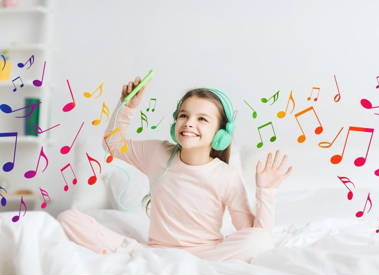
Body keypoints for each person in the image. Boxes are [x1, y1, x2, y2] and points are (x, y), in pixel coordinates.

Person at [57, 77, 293, 263]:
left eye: (202, 119)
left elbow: (254, 234)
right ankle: (136, 252)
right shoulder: (158, 153)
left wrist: (267, 191)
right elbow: (112, 144)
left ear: (220, 135)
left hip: (207, 253)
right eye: (183, 115)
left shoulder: (226, 176)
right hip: (156, 250)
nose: (189, 122)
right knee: (68, 218)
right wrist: (127, 106)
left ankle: (158, 258)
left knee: (259, 240)